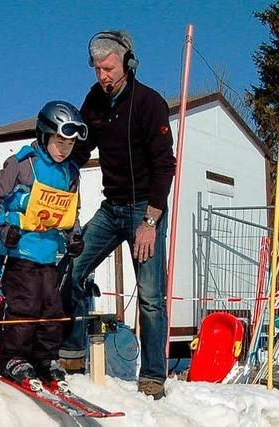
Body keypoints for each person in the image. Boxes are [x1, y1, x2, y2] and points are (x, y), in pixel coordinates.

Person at [60, 30, 176, 400]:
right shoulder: (94, 101)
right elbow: (79, 148)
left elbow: (164, 166)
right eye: (96, 69)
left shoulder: (149, 103)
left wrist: (151, 222)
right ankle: (73, 353)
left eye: (108, 68)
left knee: (150, 297)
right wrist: (58, 177)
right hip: (112, 208)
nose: (102, 76)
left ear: (127, 63)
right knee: (72, 269)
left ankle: (154, 375)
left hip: (146, 208)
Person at [0, 101, 86, 385]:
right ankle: (12, 356)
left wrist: (74, 237)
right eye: (60, 141)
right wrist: (2, 228)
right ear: (44, 135)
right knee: (25, 307)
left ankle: (44, 359)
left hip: (48, 255)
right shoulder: (23, 164)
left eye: (71, 143)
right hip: (19, 252)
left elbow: (70, 212)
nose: (65, 148)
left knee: (52, 309)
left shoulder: (70, 173)